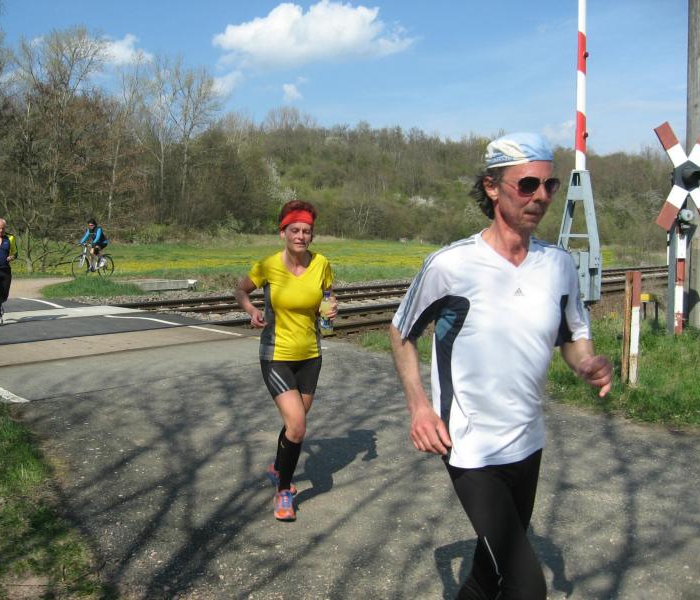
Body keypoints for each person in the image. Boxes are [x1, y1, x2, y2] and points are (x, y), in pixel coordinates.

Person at [390, 132, 612, 599]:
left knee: (487, 576)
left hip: (528, 441)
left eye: (549, 185)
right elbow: (401, 331)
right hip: (470, 446)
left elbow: (572, 337)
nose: (541, 197)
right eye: (527, 184)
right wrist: (419, 408)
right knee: (527, 587)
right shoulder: (450, 265)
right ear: (492, 187)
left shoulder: (559, 265)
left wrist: (587, 363)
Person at [234, 199, 338, 522]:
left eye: (307, 231)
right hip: (275, 354)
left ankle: (278, 466)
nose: (301, 236)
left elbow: (327, 296)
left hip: (310, 356)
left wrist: (330, 310)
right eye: (295, 230)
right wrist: (251, 310)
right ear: (283, 233)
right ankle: (283, 490)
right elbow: (241, 290)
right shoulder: (268, 266)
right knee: (297, 424)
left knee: (295, 426)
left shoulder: (322, 264)